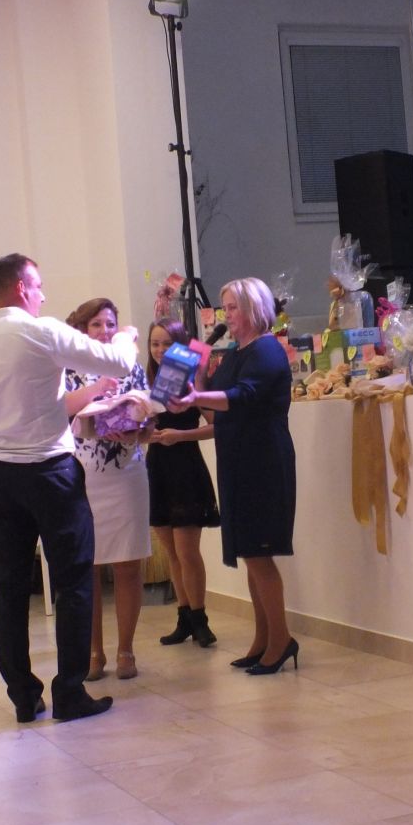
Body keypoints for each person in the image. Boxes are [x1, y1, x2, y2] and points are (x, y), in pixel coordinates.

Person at [0, 254, 138, 723]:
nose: (44, 296)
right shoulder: (41, 332)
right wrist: (126, 336)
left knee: (9, 590)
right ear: (20, 288)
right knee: (73, 582)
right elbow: (118, 362)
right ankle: (70, 693)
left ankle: (23, 697)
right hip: (51, 473)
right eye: (39, 286)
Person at [168, 277, 298, 675]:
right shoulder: (236, 353)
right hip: (237, 460)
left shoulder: (267, 349)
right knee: (249, 553)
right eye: (224, 308)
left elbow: (243, 397)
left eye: (233, 307)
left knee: (259, 553)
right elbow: (215, 412)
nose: (227, 316)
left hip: (263, 462)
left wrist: (197, 396)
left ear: (255, 308)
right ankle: (263, 639)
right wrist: (198, 379)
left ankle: (281, 640)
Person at [64, 298, 151, 681]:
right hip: (83, 475)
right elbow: (59, 415)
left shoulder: (131, 365)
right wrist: (95, 413)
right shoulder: (69, 368)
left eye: (110, 324)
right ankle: (93, 652)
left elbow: (149, 420)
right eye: (97, 324)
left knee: (128, 564)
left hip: (126, 472)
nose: (105, 331)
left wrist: (135, 429)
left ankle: (126, 649)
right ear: (84, 330)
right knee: (89, 568)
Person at [145, 318, 220, 649]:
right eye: (154, 344)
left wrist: (180, 435)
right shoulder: (147, 380)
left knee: (188, 552)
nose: (160, 350)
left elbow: (216, 426)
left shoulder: (193, 378)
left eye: (166, 343)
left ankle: (201, 619)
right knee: (172, 553)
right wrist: (145, 433)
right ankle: (184, 617)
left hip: (187, 468)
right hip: (157, 468)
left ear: (180, 346)